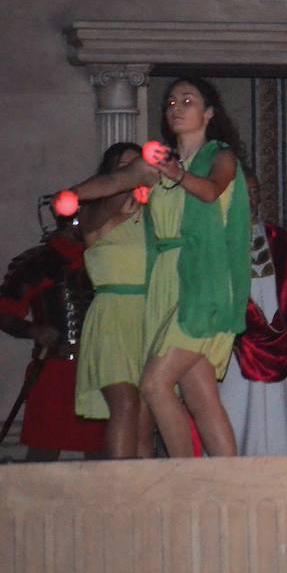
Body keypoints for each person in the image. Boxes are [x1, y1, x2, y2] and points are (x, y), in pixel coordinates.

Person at [64, 77, 252, 458]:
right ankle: (228, 482)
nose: (176, 108)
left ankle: (181, 476)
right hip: (165, 278)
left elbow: (211, 190)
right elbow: (114, 180)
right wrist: (72, 194)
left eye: (188, 100)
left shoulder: (221, 155)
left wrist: (175, 173)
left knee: (153, 384)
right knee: (200, 394)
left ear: (209, 112)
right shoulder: (154, 166)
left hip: (203, 277)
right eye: (170, 102)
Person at [218, 172, 287, 455]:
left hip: (279, 350)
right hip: (234, 351)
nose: (249, 199)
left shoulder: (284, 243)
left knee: (278, 422)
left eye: (254, 192)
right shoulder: (218, 244)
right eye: (242, 192)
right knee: (233, 418)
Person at [74, 142, 156, 459]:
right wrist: (128, 181)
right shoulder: (95, 213)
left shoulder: (152, 214)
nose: (134, 171)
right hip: (113, 315)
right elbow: (109, 202)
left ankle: (145, 501)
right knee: (124, 403)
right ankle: (119, 494)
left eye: (137, 165)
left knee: (146, 418)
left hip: (149, 314)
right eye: (124, 166)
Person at [1, 215, 104, 460]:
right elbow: (5, 311)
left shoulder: (105, 257)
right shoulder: (38, 262)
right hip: (55, 367)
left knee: (102, 451)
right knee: (43, 450)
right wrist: (33, 330)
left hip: (100, 365)